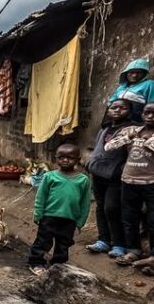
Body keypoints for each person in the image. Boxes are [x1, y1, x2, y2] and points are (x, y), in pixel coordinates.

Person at [28, 144, 91, 275]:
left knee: (64, 244)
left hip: (70, 219)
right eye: (61, 157)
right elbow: (41, 196)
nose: (65, 160)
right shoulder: (50, 176)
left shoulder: (83, 180)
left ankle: (58, 265)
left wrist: (81, 221)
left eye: (70, 158)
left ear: (77, 159)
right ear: (56, 158)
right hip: (49, 216)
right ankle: (37, 262)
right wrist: (38, 213)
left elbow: (85, 203)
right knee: (43, 241)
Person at [104, 102, 154, 266]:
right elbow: (109, 146)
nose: (150, 116)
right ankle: (134, 251)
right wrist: (128, 138)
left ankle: (152, 256)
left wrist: (149, 142)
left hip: (151, 183)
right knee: (129, 218)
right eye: (147, 113)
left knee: (152, 220)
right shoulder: (130, 130)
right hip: (128, 181)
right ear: (142, 115)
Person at [84, 99, 133, 257]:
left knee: (112, 208)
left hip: (115, 176)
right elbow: (98, 148)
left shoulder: (131, 130)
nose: (117, 110)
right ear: (108, 110)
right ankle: (103, 240)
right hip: (98, 174)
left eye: (122, 108)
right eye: (114, 107)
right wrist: (90, 162)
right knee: (100, 207)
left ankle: (118, 243)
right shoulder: (105, 129)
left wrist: (123, 167)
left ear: (130, 111)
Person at [109, 58, 154, 123]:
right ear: (126, 73)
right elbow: (111, 102)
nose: (134, 75)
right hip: (117, 120)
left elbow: (152, 105)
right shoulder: (121, 87)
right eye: (131, 72)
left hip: (135, 121)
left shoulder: (149, 84)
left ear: (144, 74)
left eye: (139, 73)